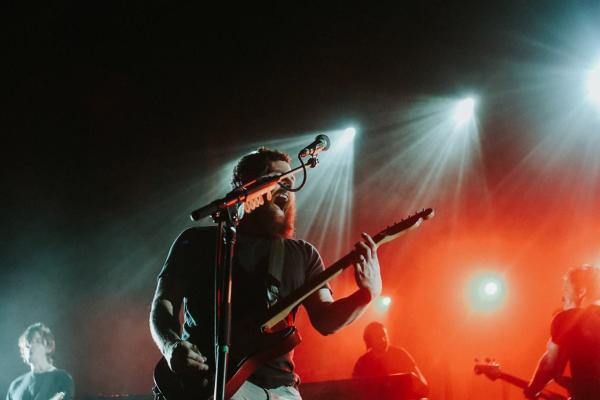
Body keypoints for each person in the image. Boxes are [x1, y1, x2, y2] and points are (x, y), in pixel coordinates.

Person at [149, 147, 383, 400]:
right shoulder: (196, 242)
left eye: (290, 183)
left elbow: (326, 320)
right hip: (208, 383)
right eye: (275, 179)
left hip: (280, 390)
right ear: (244, 186)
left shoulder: (303, 254)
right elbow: (163, 305)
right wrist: (171, 347)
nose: (286, 189)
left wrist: (366, 295)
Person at [524, 264, 600, 400]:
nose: (563, 298)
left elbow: (550, 365)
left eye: (566, 290)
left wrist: (532, 390)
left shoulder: (571, 318)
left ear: (581, 292)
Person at [6, 323, 74, 400]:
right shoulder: (15, 385)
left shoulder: (62, 378)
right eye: (27, 344)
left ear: (48, 347)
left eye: (37, 341)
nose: (30, 346)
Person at [352, 322, 427, 387]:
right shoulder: (362, 363)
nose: (383, 340)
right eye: (377, 337)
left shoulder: (400, 354)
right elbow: (354, 390)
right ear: (369, 340)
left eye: (384, 335)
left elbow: (423, 384)